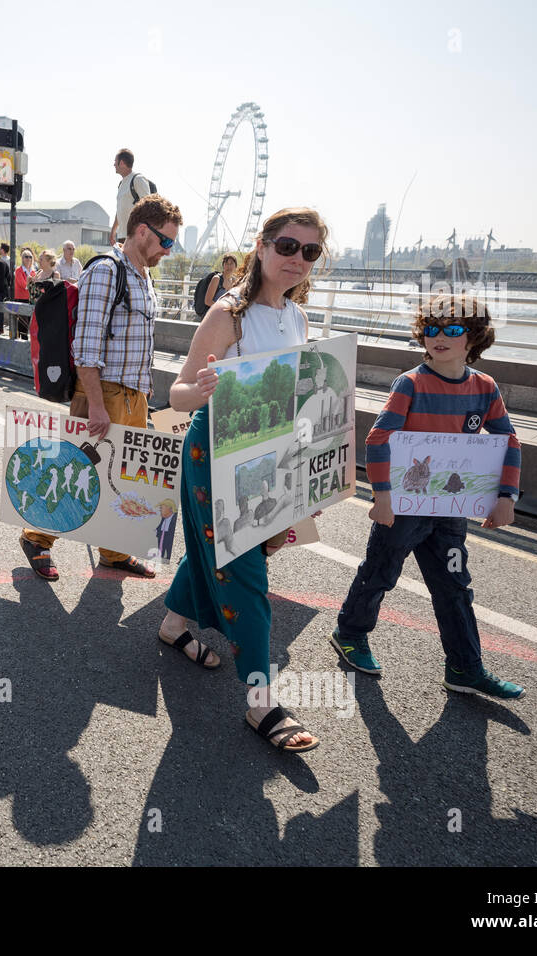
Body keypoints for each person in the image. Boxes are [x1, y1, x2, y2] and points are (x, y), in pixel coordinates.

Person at [155, 207, 327, 753]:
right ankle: (261, 703)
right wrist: (201, 388)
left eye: (310, 251)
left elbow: (298, 397)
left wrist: (309, 473)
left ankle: (174, 623)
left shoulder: (297, 320)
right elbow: (177, 395)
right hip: (217, 454)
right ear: (261, 245)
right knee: (244, 570)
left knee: (217, 552)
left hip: (270, 452)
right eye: (287, 246)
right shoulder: (229, 315)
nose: (296, 259)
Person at [331, 292, 524, 700]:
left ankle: (465, 668)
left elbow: (508, 441)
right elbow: (379, 438)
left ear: (473, 338)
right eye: (432, 329)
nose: (440, 337)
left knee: (455, 587)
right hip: (404, 505)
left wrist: (506, 495)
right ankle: (350, 633)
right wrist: (381, 495)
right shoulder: (411, 383)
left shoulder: (485, 388)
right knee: (380, 574)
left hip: (451, 511)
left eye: (453, 330)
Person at [18, 194, 182, 580]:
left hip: (133, 394)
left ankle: (113, 550)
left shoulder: (144, 274)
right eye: (166, 242)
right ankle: (36, 537)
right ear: (142, 231)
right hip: (103, 393)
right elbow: (86, 347)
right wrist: (95, 405)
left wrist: (144, 394)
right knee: (80, 472)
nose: (168, 251)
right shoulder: (107, 270)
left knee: (125, 478)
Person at [109, 148, 155, 246]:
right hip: (123, 236)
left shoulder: (138, 179)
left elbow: (149, 208)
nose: (113, 165)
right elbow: (120, 210)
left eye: (115, 161)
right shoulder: (121, 184)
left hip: (136, 237)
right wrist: (113, 230)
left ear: (121, 163)